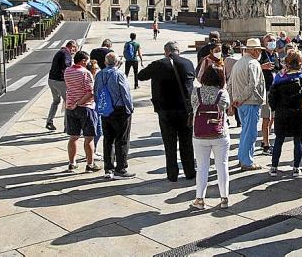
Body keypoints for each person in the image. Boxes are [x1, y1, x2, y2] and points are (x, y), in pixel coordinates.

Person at [137, 41, 196, 181]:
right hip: (185, 109)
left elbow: (141, 76)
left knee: (169, 144)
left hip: (165, 110)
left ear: (166, 51)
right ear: (178, 50)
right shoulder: (188, 63)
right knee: (186, 142)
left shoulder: (158, 64)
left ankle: (172, 174)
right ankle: (189, 171)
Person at [190, 61, 231, 210]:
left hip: (200, 134)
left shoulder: (196, 92)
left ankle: (200, 199)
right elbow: (226, 107)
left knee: (202, 167)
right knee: (222, 165)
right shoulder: (223, 93)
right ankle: (224, 197)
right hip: (220, 134)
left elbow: (193, 106)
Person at [269, 50, 302, 177]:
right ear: (300, 63)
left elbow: (272, 98)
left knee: (279, 140)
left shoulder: (279, 79)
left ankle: (274, 167)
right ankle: (296, 168)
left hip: (282, 113)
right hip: (299, 114)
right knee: (298, 140)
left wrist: (275, 108)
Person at [95, 51, 135, 180]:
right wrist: (129, 108)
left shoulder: (99, 74)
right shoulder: (119, 74)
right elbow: (125, 93)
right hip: (119, 109)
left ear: (106, 62)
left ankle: (108, 168)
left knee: (108, 139)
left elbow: (96, 92)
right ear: (117, 62)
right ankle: (121, 168)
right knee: (122, 139)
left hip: (106, 109)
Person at [227, 38, 266, 171]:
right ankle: (247, 161)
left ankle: (242, 158)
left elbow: (230, 84)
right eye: (259, 50)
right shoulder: (253, 63)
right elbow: (252, 85)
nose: (260, 52)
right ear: (255, 51)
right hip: (250, 102)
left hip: (241, 103)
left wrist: (233, 101)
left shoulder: (238, 63)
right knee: (250, 133)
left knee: (245, 131)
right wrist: (240, 99)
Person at [64, 51, 101, 172]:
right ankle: (90, 164)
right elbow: (90, 92)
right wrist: (79, 103)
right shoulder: (86, 73)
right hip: (85, 107)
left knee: (73, 137)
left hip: (70, 107)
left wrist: (73, 103)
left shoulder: (67, 71)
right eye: (87, 61)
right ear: (83, 61)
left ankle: (72, 163)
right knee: (89, 137)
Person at [46, 40, 77, 131]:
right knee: (68, 103)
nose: (74, 52)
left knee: (56, 101)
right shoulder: (66, 53)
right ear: (72, 47)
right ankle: (67, 126)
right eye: (74, 50)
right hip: (60, 81)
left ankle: (49, 121)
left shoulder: (59, 52)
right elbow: (66, 67)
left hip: (51, 80)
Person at [259, 33, 281, 155]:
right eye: (269, 40)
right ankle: (266, 145)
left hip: (275, 88)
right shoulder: (261, 55)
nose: (272, 42)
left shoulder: (275, 54)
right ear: (264, 43)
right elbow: (254, 67)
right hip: (266, 89)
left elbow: (278, 68)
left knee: (273, 116)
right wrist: (262, 66)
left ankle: (264, 139)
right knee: (266, 118)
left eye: (273, 40)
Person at [224, 42, 242, 128]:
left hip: (226, 82)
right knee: (236, 101)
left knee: (226, 101)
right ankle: (238, 121)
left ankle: (226, 119)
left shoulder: (222, 60)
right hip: (236, 82)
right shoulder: (236, 59)